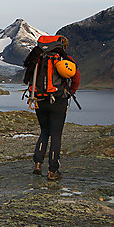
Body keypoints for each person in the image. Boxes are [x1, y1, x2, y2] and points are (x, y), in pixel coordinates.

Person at [22, 35, 80, 181]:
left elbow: (27, 78)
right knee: (56, 134)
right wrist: (70, 92)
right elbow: (76, 77)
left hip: (39, 99)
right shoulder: (64, 58)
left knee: (44, 131)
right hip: (58, 100)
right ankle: (53, 171)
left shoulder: (36, 56)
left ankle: (38, 164)